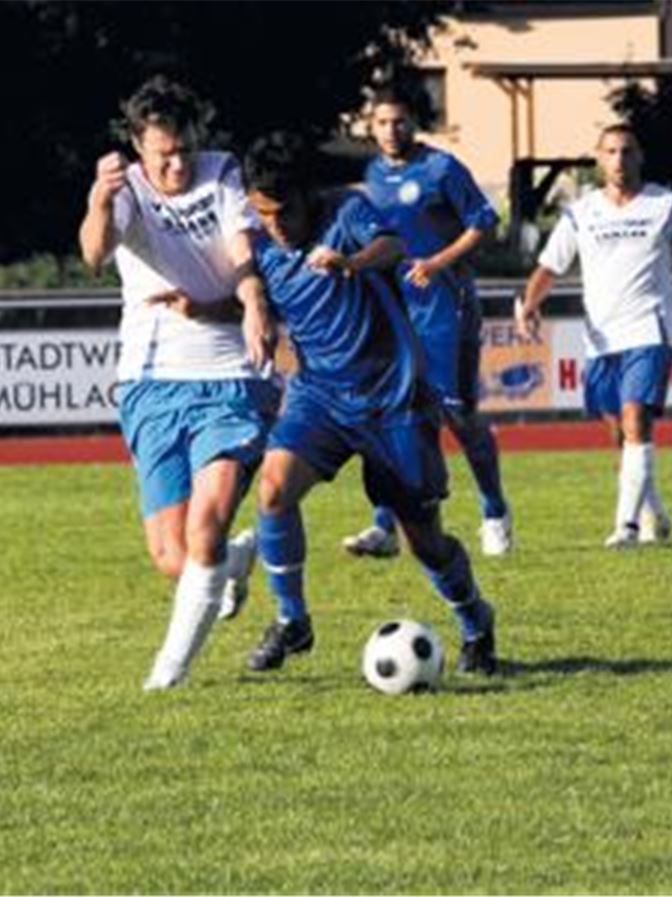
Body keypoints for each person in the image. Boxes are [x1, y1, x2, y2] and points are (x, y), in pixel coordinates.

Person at [240, 133, 498, 675]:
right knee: (273, 489)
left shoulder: (346, 212)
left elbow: (394, 247)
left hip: (394, 400)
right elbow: (238, 287)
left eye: (284, 211)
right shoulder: (259, 244)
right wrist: (243, 304)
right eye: (263, 213)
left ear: (307, 196)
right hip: (320, 398)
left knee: (423, 541)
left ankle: (476, 620)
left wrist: (350, 263)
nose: (276, 224)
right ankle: (292, 622)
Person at [78, 76, 279, 690]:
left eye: (184, 147)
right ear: (140, 149)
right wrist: (97, 199)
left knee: (203, 529)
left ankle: (167, 676)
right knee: (175, 557)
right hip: (150, 380)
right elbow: (94, 252)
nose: (176, 161)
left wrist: (252, 302)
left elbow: (241, 249)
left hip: (228, 376)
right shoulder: (128, 187)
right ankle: (237, 559)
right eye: (163, 151)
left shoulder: (222, 171)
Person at [517, 123, 672, 548]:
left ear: (640, 156)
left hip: (649, 328)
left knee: (635, 419)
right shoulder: (581, 212)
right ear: (598, 158)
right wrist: (530, 304)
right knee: (619, 435)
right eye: (610, 151)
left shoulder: (666, 205)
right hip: (601, 338)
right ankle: (654, 513)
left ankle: (625, 527)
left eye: (627, 151)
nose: (618, 160)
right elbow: (549, 268)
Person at [340, 89, 513, 560]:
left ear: (413, 122)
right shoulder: (373, 174)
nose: (391, 131)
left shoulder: (442, 169)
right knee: (389, 414)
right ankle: (385, 526)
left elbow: (483, 221)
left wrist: (438, 262)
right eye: (382, 123)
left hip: (444, 306)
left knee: (458, 415)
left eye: (399, 121)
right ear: (370, 128)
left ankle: (494, 512)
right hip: (395, 311)